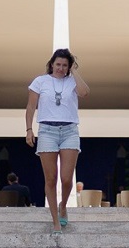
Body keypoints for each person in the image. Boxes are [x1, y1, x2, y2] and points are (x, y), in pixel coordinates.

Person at [25, 48, 90, 234]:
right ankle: (55, 220)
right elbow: (30, 107)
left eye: (65, 65)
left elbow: (85, 93)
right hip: (47, 130)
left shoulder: (72, 81)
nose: (61, 68)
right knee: (51, 178)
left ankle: (64, 206)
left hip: (69, 130)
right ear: (52, 64)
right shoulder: (40, 81)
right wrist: (29, 129)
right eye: (58, 64)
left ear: (69, 67)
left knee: (67, 178)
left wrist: (75, 71)